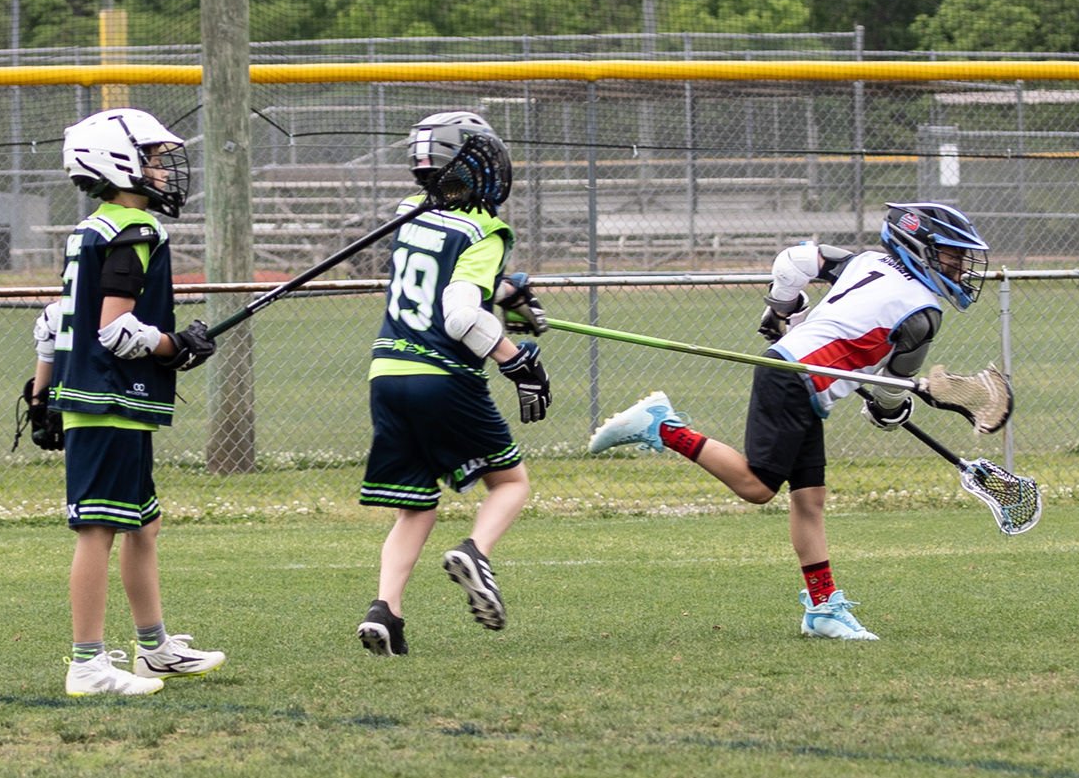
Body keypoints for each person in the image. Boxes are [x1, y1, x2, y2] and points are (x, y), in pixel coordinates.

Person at [587, 200, 990, 642]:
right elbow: (891, 391)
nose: (959, 267)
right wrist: (891, 411)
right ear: (919, 246)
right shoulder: (924, 314)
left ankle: (823, 609)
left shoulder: (865, 262)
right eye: (952, 255)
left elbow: (794, 261)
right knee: (757, 487)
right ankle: (662, 427)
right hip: (794, 380)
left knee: (809, 499)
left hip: (803, 382)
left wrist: (784, 308)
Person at [357, 110, 552, 656]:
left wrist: (506, 292)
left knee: (416, 505)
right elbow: (461, 315)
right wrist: (517, 362)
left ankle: (386, 612)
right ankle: (475, 552)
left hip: (387, 372)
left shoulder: (407, 213)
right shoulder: (486, 230)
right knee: (509, 483)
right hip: (442, 376)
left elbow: (442, 275)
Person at [50, 108, 222, 697]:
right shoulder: (134, 230)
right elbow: (116, 330)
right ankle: (88, 664)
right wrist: (177, 345)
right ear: (116, 163)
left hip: (103, 398)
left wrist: (44, 389)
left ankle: (155, 649)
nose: (163, 170)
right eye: (151, 159)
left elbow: (54, 321)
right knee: (98, 529)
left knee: (142, 526)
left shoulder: (91, 229)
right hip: (109, 400)